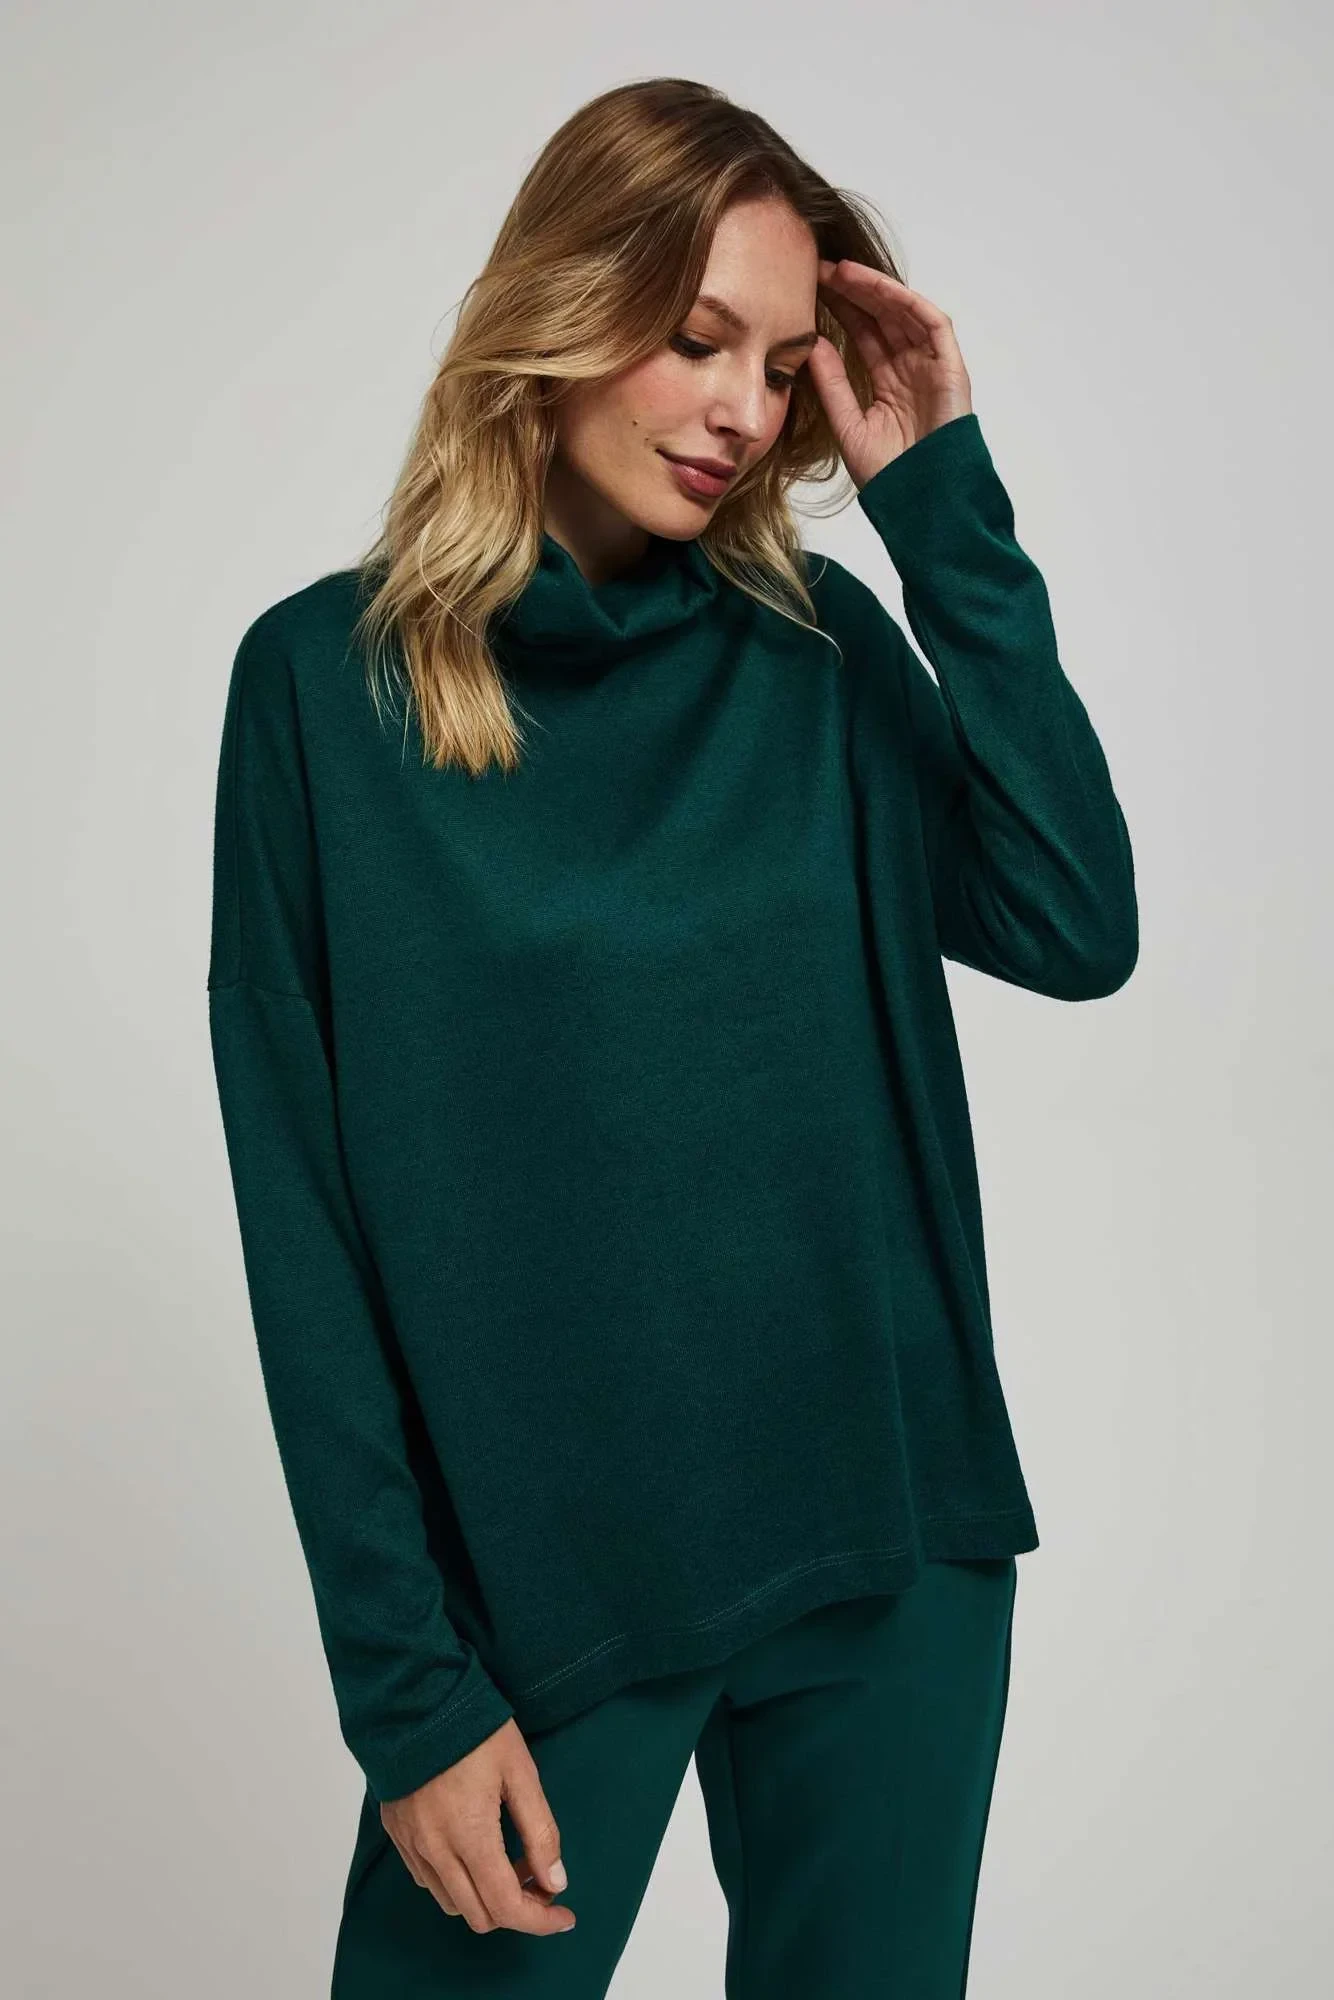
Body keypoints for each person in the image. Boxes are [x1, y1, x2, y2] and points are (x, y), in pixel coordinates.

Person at [206, 75, 1138, 1999]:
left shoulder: (816, 656)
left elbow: (1071, 922)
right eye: (694, 337)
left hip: (887, 1546)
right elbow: (304, 1224)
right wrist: (409, 1692)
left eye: (783, 366)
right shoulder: (323, 689)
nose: (740, 410)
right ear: (560, 309)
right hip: (549, 1599)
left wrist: (939, 503)